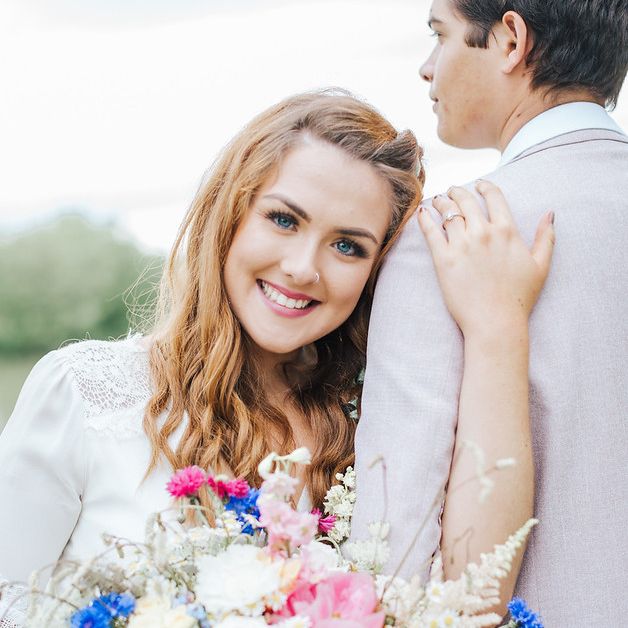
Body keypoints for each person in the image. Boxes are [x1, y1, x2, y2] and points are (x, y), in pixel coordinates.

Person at [0, 90, 553, 624]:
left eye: (348, 246)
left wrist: (497, 325)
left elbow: (467, 600)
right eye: (284, 220)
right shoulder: (85, 393)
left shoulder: (376, 425)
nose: (302, 267)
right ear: (229, 212)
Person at [350, 0, 628, 624]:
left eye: (440, 35)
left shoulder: (451, 237)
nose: (427, 67)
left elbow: (396, 554)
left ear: (509, 40)